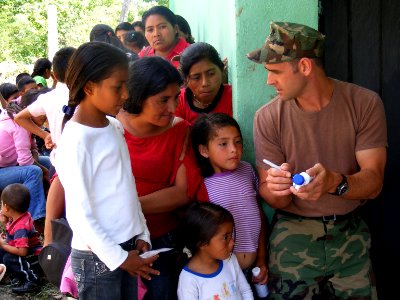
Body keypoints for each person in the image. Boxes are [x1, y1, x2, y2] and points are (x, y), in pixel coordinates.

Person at [248, 21, 387, 299]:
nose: (268, 81)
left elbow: (374, 183)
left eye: (275, 72)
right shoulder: (267, 117)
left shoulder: (364, 104)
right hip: (292, 232)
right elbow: (270, 193)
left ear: (305, 67)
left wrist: (335, 182)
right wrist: (274, 189)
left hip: (350, 233)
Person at [55, 41, 159, 299]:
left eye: (127, 84)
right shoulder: (76, 140)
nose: (125, 94)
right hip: (96, 259)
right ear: (90, 87)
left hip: (126, 248)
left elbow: (126, 186)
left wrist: (141, 232)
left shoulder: (114, 126)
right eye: (117, 86)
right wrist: (120, 258)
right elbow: (79, 215)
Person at [117, 56, 203, 300]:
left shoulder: (180, 130)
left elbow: (183, 192)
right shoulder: (110, 126)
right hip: (112, 240)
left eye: (176, 98)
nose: (172, 107)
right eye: (163, 100)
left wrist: (128, 206)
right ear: (138, 95)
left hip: (160, 238)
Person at [191, 113, 268, 297]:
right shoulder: (202, 184)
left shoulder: (248, 170)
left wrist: (262, 259)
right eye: (223, 144)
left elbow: (258, 216)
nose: (234, 149)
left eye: (238, 142)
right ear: (204, 150)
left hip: (254, 269)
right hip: (221, 275)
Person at [14, 46, 76, 246]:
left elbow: (20, 117)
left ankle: (53, 253)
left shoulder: (50, 97)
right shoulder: (84, 95)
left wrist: (44, 134)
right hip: (74, 164)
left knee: (60, 216)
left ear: (55, 75)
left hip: (59, 162)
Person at [177, 202, 253, 299]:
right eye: (226, 237)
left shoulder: (231, 260)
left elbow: (245, 291)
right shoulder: (189, 280)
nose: (232, 242)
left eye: (231, 235)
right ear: (202, 242)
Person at [0, 97, 47, 225]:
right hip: (2, 170)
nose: (45, 116)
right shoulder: (19, 125)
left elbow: (33, 149)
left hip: (10, 165)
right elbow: (25, 162)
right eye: (42, 113)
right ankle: (35, 220)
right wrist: (44, 172)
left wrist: (43, 168)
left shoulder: (25, 122)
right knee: (34, 171)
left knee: (47, 161)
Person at [0, 183, 42, 294]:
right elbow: (13, 236)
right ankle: (16, 274)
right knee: (3, 252)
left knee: (9, 258)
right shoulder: (20, 216)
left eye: (1, 204)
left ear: (7, 207)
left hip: (32, 256)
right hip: (24, 251)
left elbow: (23, 251)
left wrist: (3, 244)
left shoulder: (21, 227)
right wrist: (5, 222)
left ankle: (32, 281)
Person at [176, 42, 232, 124]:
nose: (205, 83)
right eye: (196, 78)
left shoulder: (233, 97)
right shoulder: (179, 100)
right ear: (185, 80)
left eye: (211, 74)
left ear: (222, 69)